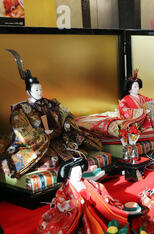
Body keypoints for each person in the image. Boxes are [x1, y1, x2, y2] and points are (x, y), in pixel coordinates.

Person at [1, 50, 102, 179]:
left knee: (79, 152)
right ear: (28, 91)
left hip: (57, 141)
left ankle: (81, 174)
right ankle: (73, 175)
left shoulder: (49, 103)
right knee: (52, 160)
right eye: (36, 90)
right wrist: (43, 134)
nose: (39, 92)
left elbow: (66, 114)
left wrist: (66, 124)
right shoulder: (20, 110)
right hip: (38, 145)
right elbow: (24, 133)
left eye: (41, 89)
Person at [75, 70, 154, 144]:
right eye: (134, 86)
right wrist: (142, 112)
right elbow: (124, 110)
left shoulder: (142, 97)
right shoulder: (125, 100)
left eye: (137, 86)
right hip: (137, 122)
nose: (137, 88)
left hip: (146, 119)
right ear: (129, 88)